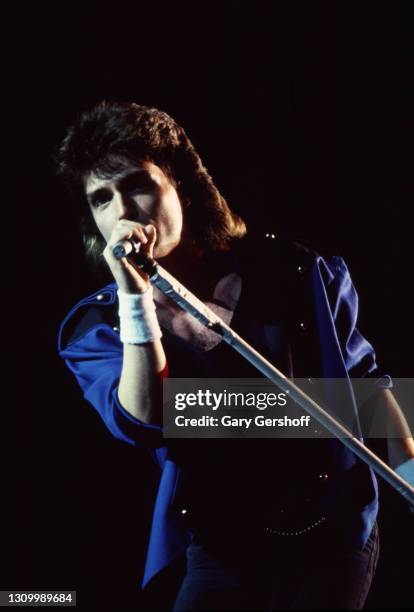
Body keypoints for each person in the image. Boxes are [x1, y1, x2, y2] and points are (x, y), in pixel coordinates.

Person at [55, 101, 414, 610]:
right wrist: (136, 299)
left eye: (136, 184)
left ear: (179, 183)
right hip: (224, 547)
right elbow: (143, 417)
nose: (122, 212)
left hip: (332, 531)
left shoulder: (292, 270)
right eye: (100, 199)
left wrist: (411, 475)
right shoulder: (98, 326)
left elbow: (368, 390)